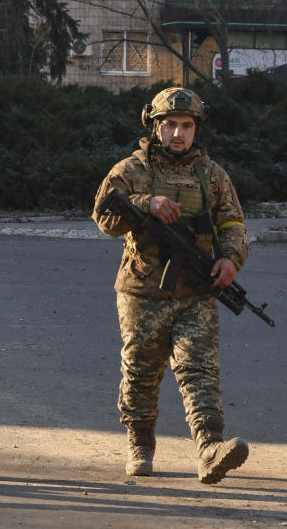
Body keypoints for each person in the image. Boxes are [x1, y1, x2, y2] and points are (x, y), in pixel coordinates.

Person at [92, 86, 251, 485]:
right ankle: (140, 443)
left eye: (186, 125)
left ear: (196, 129)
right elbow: (103, 217)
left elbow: (232, 223)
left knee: (199, 370)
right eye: (169, 125)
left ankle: (210, 447)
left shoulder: (212, 175)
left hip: (196, 291)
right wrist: (146, 203)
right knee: (141, 372)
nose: (178, 133)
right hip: (142, 292)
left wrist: (231, 259)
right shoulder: (130, 170)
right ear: (155, 125)